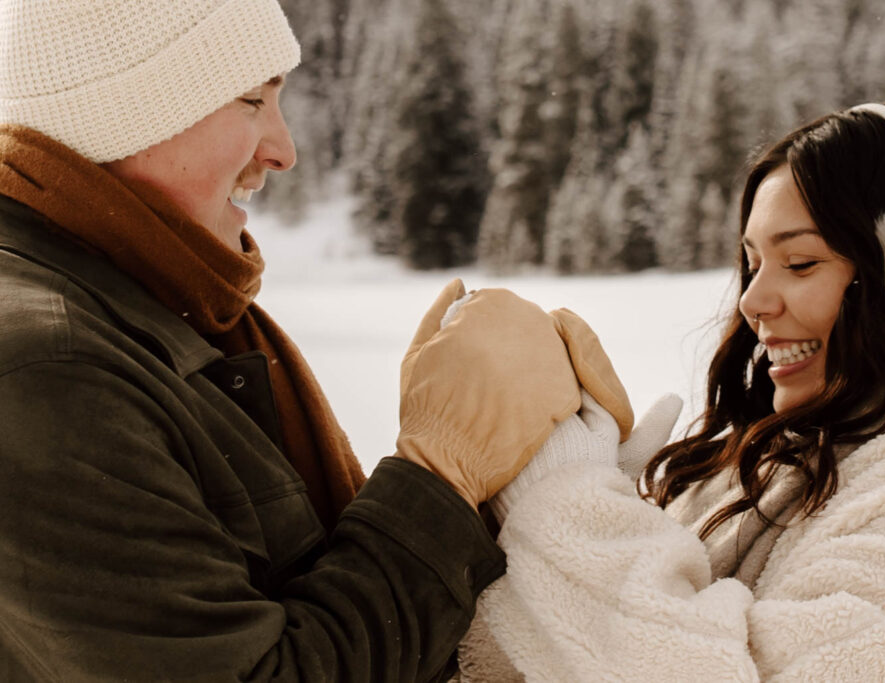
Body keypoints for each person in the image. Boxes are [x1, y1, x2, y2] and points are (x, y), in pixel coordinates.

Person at [0, 1, 638, 680]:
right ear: (120, 110)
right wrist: (440, 471)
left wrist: (516, 466)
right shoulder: (47, 373)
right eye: (251, 99)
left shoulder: (160, 315)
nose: (283, 149)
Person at [458, 96, 885, 681]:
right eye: (752, 264)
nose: (752, 302)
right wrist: (599, 516)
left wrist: (568, 513)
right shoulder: (782, 461)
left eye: (800, 263)